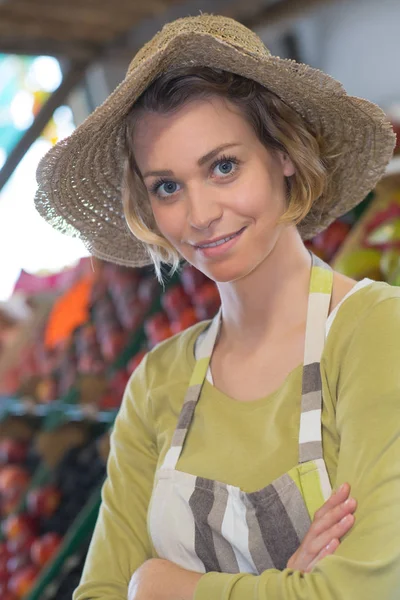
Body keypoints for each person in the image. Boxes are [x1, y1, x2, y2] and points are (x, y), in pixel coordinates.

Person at [34, 14, 400, 600]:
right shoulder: (158, 383)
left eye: (223, 166)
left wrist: (159, 585)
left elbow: (365, 592)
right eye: (167, 186)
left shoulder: (376, 331)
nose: (200, 214)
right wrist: (284, 584)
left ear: (283, 154)